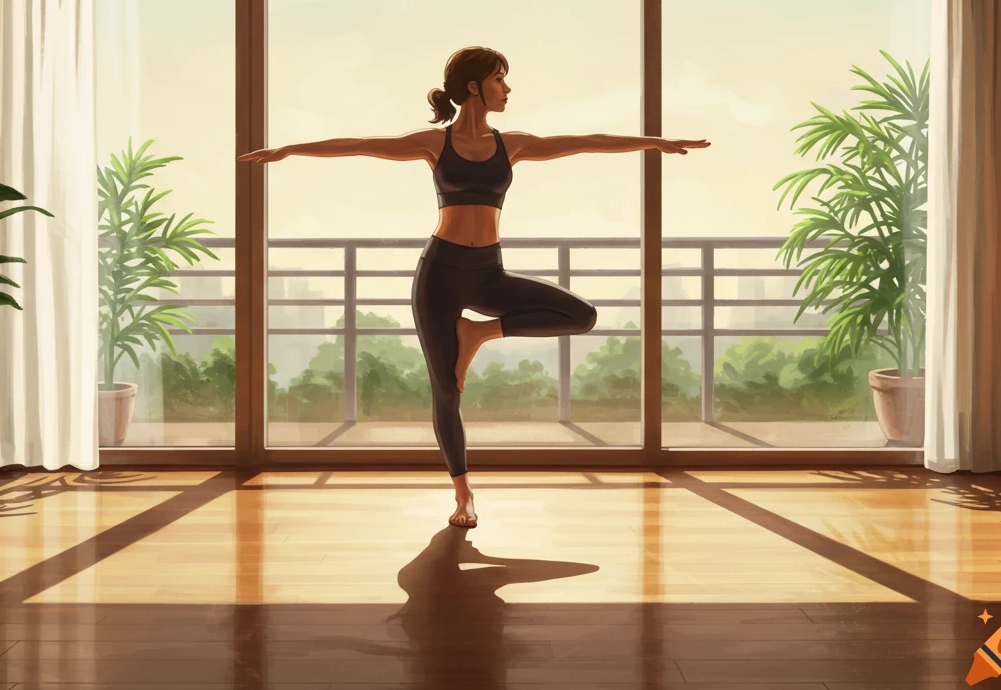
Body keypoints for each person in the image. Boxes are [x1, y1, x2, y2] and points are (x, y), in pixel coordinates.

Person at [239, 46, 710, 528]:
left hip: (489, 274)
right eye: (500, 79)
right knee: (447, 390)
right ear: (474, 87)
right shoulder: (433, 143)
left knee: (581, 315)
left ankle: (480, 333)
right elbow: (358, 144)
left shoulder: (515, 144)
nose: (507, 89)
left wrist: (656, 142)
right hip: (439, 274)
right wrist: (289, 150)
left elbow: (587, 141)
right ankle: (463, 495)